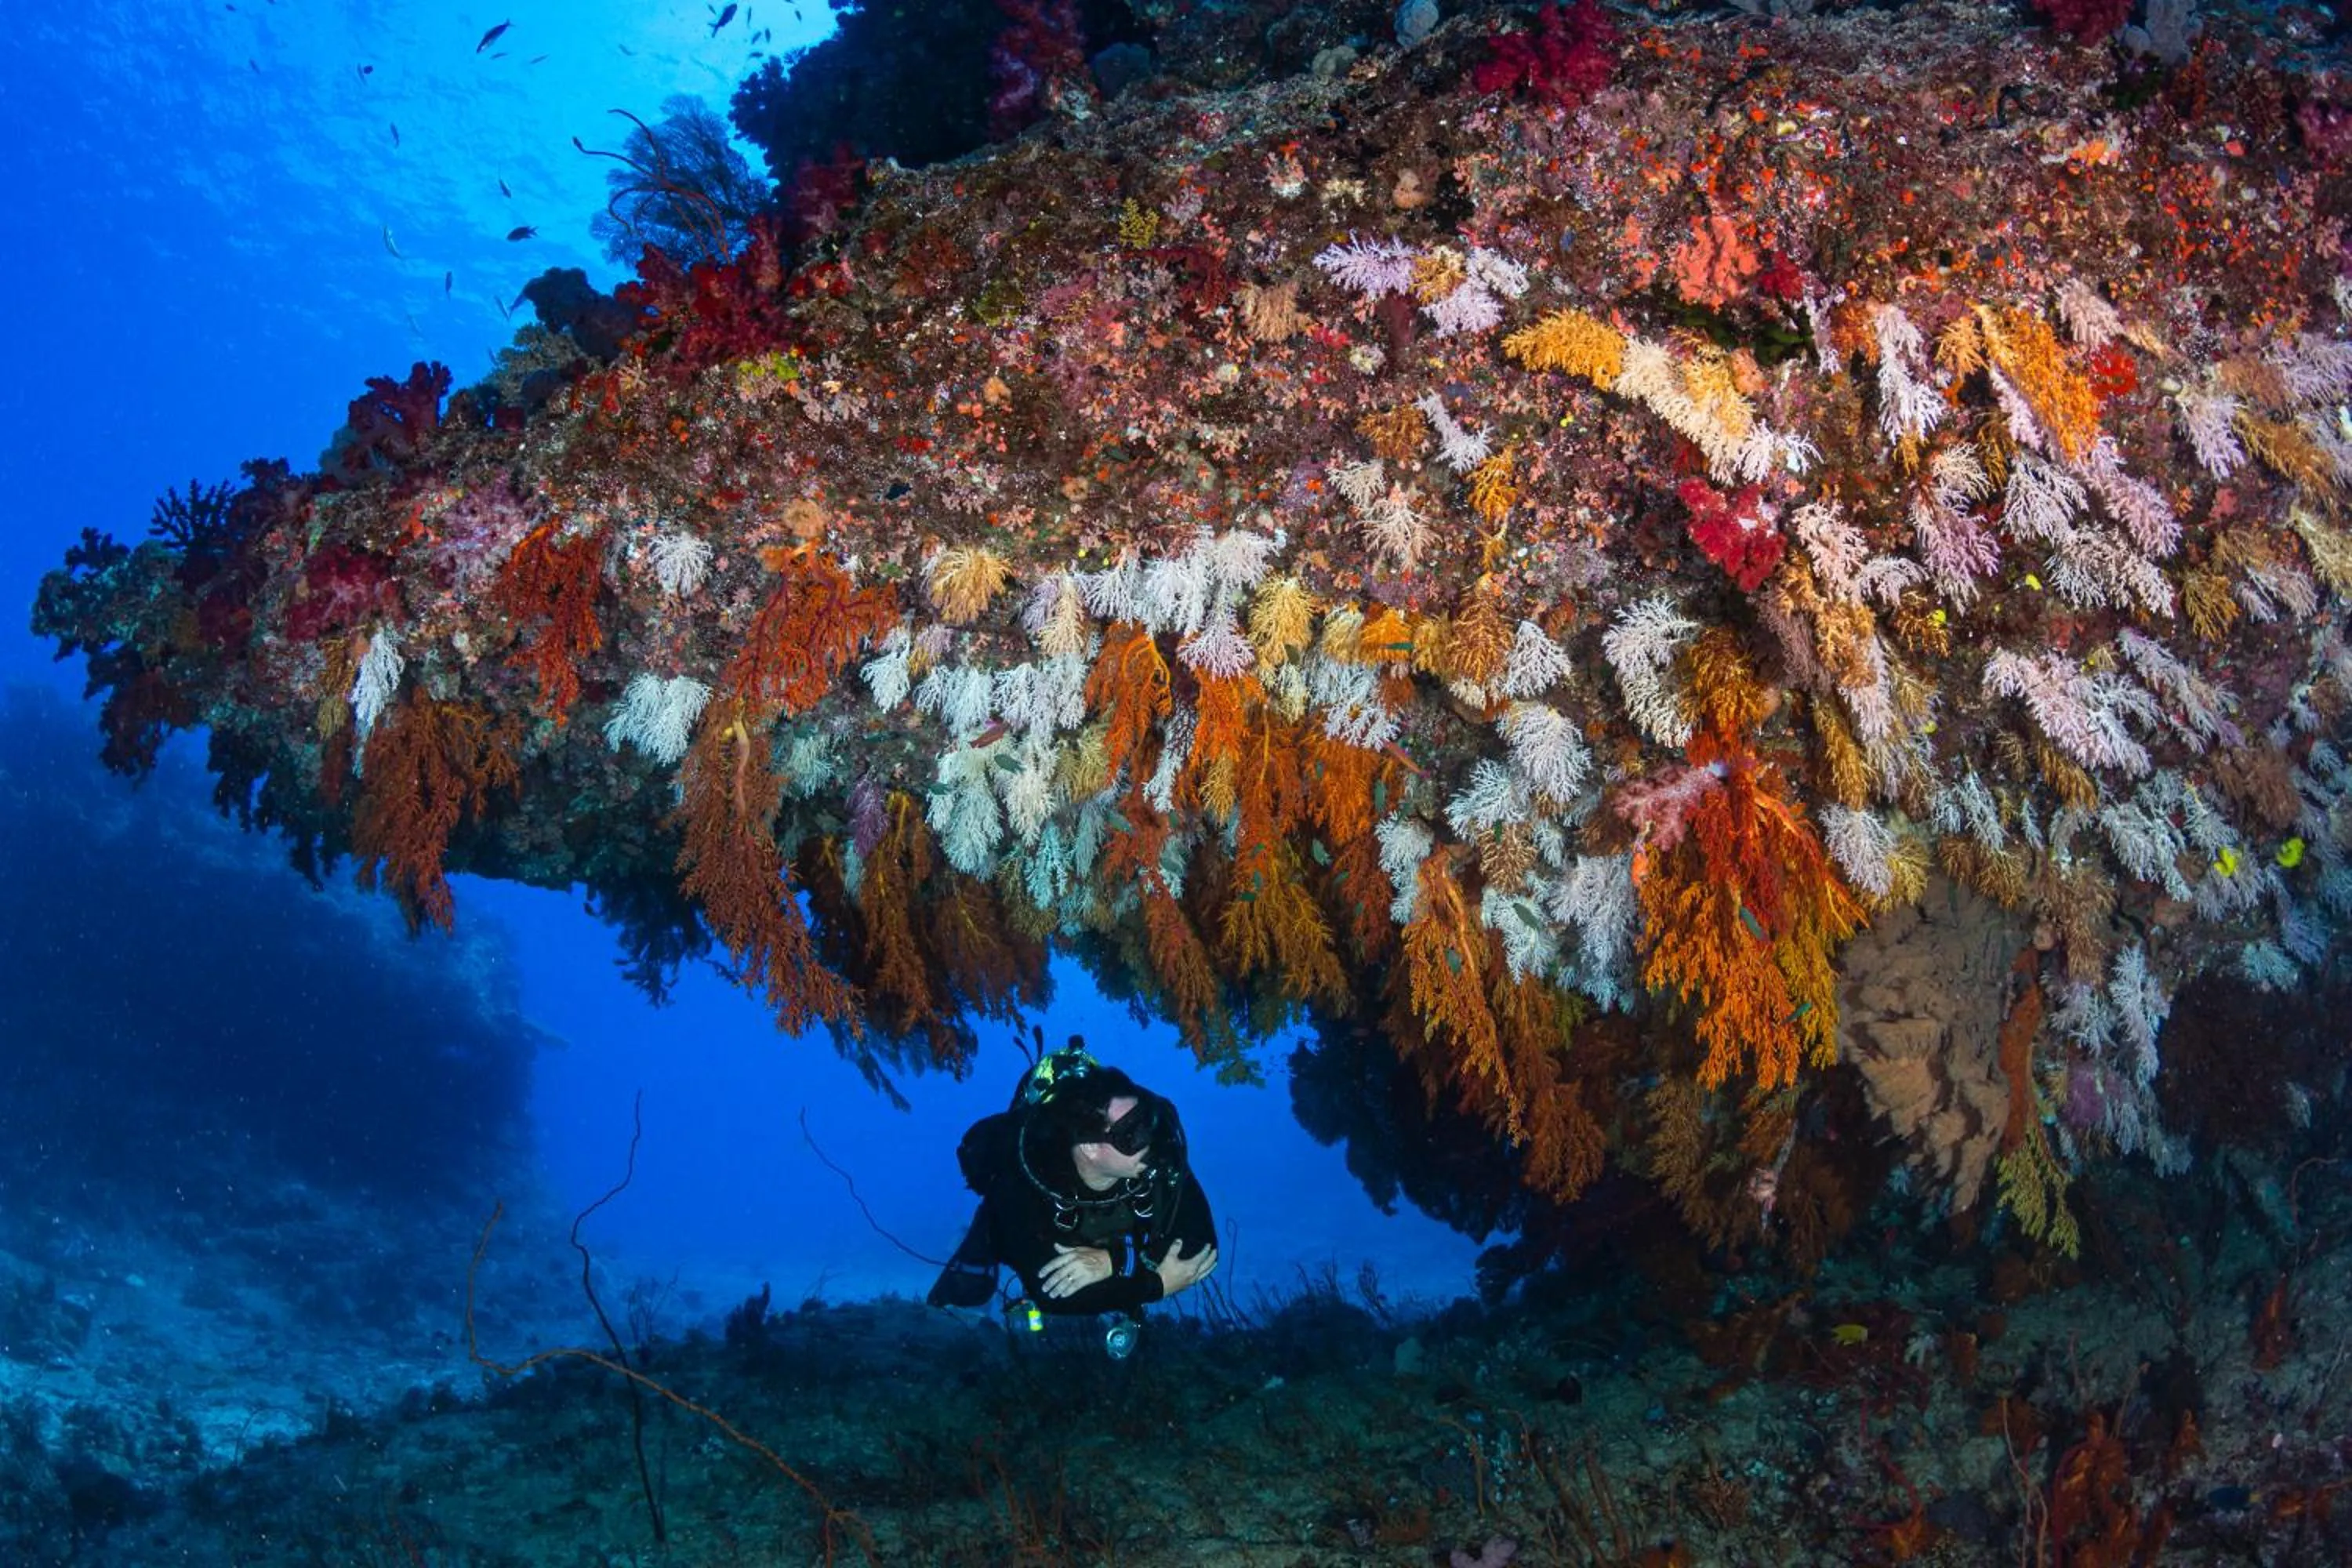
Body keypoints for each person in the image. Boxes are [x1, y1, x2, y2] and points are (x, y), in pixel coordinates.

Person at [927, 1039, 1218, 1356]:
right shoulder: (1025, 1191)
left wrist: (1115, 1262)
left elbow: (1200, 1248)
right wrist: (1156, 1285)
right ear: (1090, 1148)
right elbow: (1055, 1296)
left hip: (1110, 1244)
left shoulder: (1153, 1156)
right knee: (995, 1244)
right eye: (1133, 1133)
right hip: (1024, 1231)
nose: (1152, 1139)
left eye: (1148, 1118)